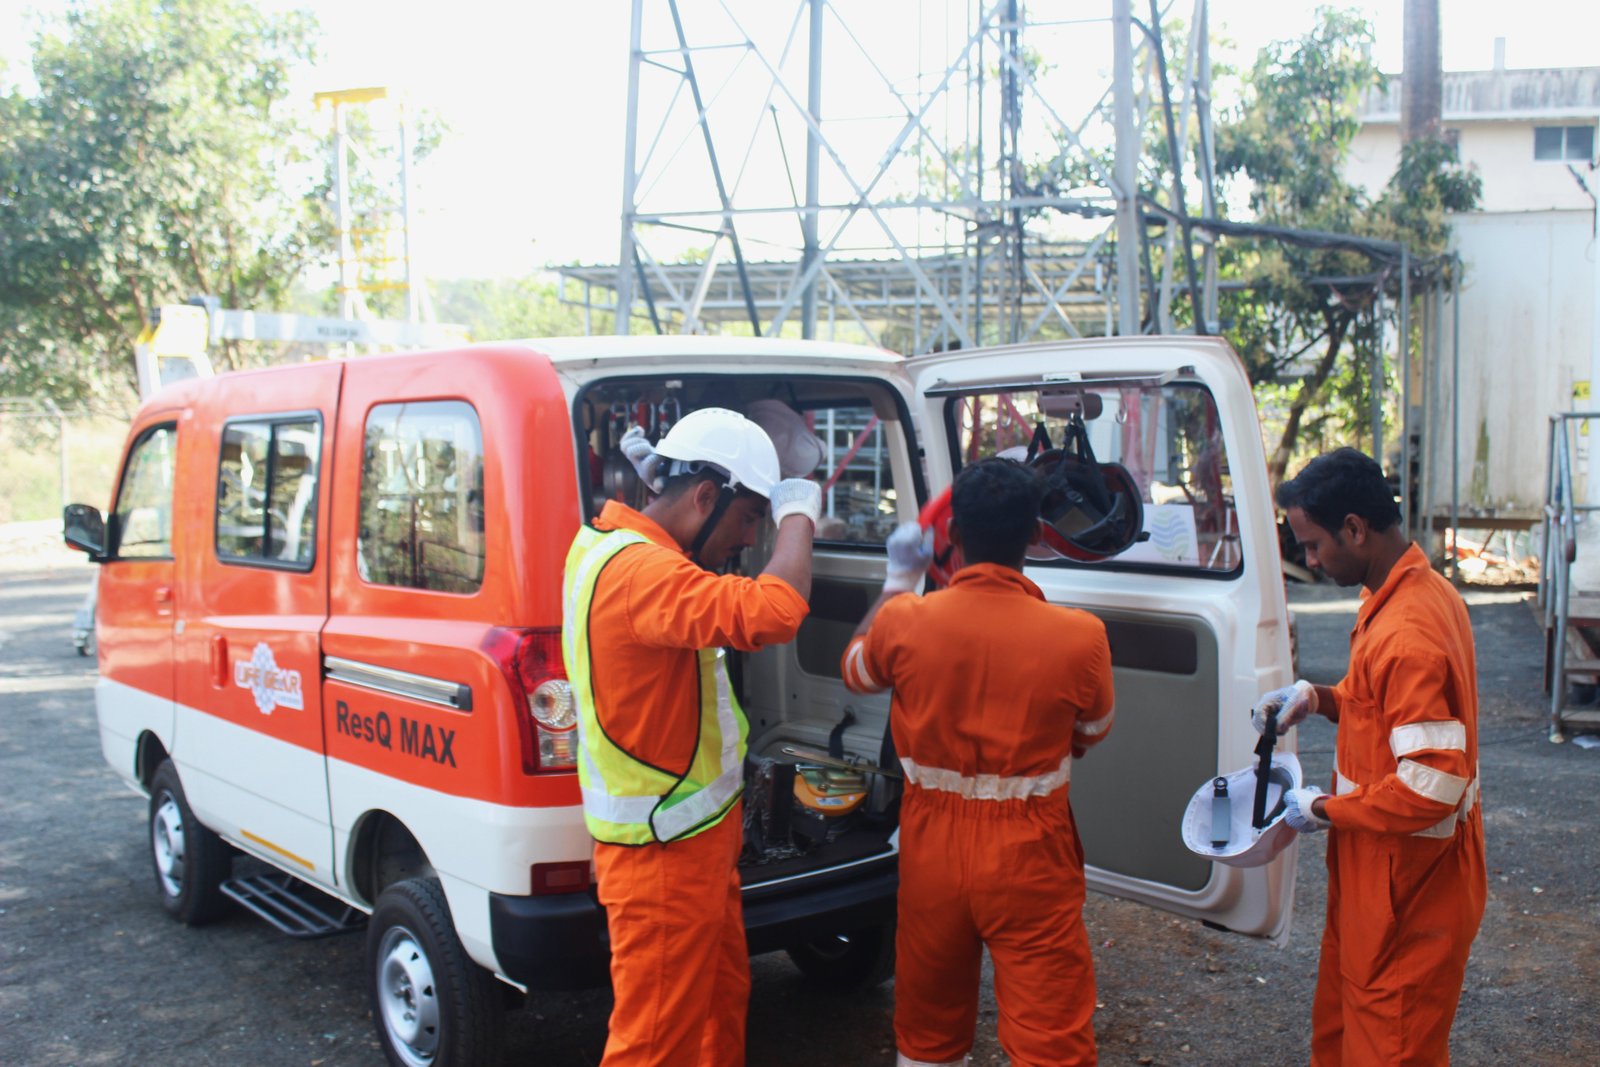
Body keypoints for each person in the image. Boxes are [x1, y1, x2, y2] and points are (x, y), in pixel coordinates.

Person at [562, 407, 821, 1067]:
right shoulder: (643, 573)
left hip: (692, 844)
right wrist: (799, 513)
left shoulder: (615, 547)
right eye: (747, 518)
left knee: (714, 1010)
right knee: (654, 1046)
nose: (748, 539)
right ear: (706, 496)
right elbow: (777, 609)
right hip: (662, 858)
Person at [840, 457, 1115, 1067]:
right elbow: (1089, 731)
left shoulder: (906, 622)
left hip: (931, 847)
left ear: (953, 535)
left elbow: (856, 670)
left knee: (928, 1030)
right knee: (1051, 1041)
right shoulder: (1081, 636)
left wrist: (897, 581)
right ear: (1038, 536)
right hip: (1031, 854)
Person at [1255, 447, 1485, 1066]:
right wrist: (1319, 698)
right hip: (1379, 875)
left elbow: (1432, 784)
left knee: (1390, 1046)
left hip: (1409, 893)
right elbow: (1384, 708)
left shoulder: (1405, 631)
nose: (1308, 560)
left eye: (1312, 545)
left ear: (1355, 529)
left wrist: (1323, 808)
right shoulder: (1405, 591)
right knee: (1342, 1031)